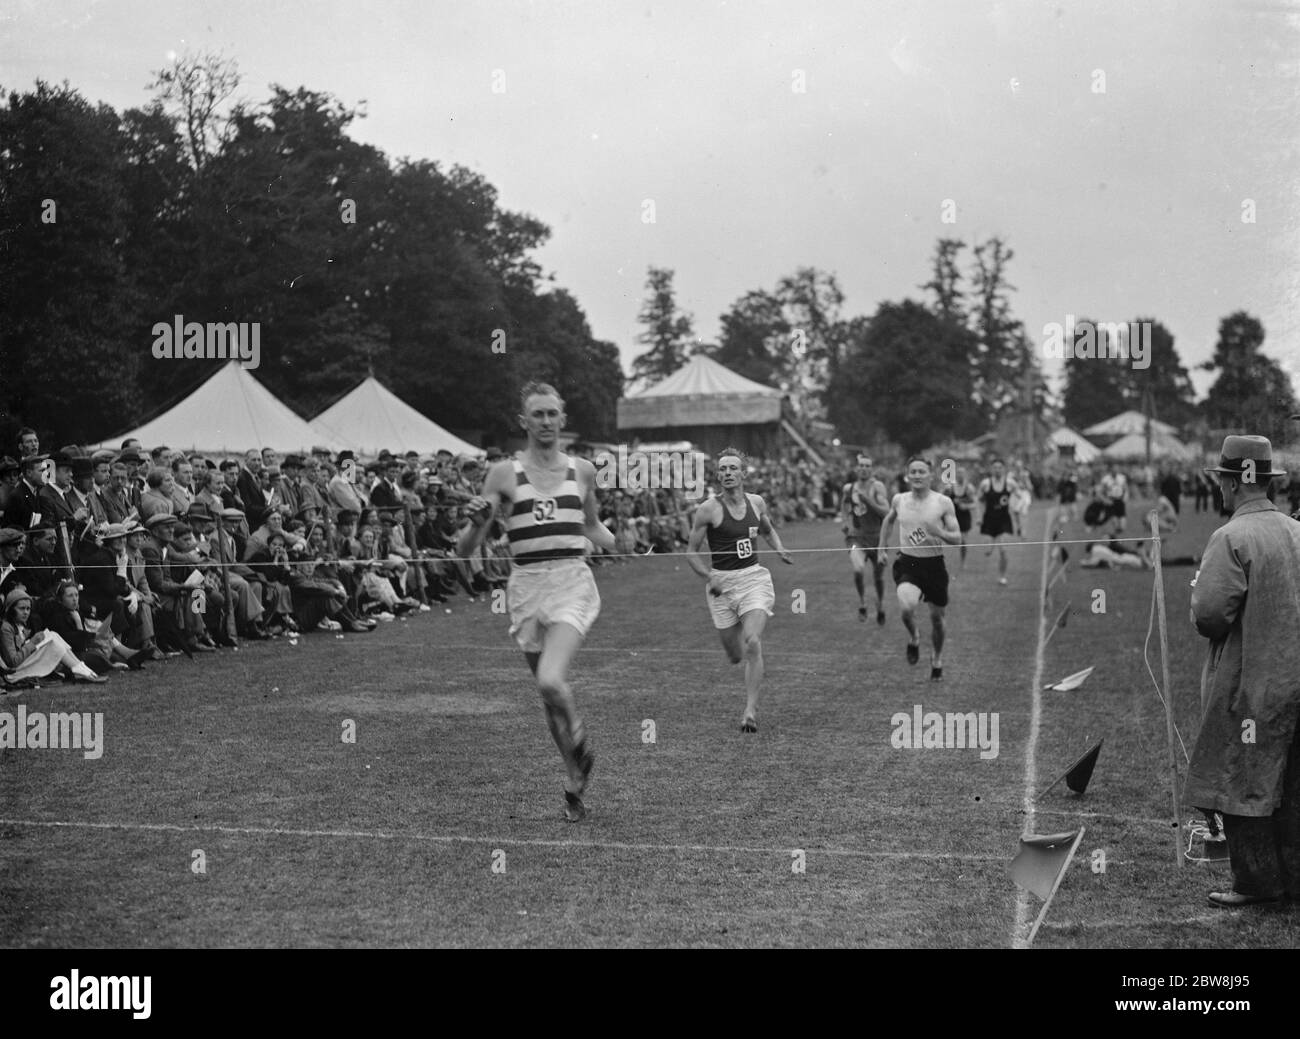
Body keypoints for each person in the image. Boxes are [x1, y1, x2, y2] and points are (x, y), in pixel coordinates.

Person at [458, 382, 617, 823]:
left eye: (552, 414)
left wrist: (616, 540)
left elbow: (592, 526)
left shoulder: (582, 471)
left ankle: (581, 737)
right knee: (548, 700)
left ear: (563, 420)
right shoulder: (503, 474)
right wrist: (474, 524)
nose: (546, 422)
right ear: (523, 421)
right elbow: (465, 550)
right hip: (526, 586)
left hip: (571, 581)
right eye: (538, 414)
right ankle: (573, 780)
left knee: (551, 679)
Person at [1183, 436, 1300, 909]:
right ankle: (1293, 878)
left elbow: (1210, 615)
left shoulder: (1231, 537)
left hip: (1253, 680)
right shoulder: (1296, 530)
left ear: (1232, 483)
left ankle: (1256, 882)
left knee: (1245, 777)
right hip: (1296, 677)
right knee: (1293, 781)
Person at [685, 447, 793, 733]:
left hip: (753, 579)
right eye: (722, 469)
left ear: (744, 473)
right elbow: (691, 553)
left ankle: (749, 711)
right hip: (721, 585)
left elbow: (767, 530)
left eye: (733, 468)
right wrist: (710, 576)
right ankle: (739, 666)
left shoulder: (756, 502)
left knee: (753, 641)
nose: (727, 473)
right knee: (734, 655)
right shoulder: (708, 508)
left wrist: (779, 548)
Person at [878, 457, 961, 681]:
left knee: (937, 619)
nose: (916, 475)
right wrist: (881, 549)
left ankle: (937, 659)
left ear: (930, 475)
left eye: (921, 472)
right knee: (907, 607)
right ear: (907, 475)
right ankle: (914, 637)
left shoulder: (943, 502)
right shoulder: (899, 499)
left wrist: (940, 532)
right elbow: (888, 521)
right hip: (909, 563)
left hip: (934, 565)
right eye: (913, 471)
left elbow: (957, 538)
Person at [2, 588, 107, 686]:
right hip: (14, 673)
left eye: (28, 609)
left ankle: (80, 668)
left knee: (53, 635)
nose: (26, 612)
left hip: (23, 664)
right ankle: (80, 670)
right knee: (52, 642)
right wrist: (32, 643)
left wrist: (33, 643)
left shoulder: (21, 624)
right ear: (11, 609)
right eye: (21, 609)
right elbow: (13, 662)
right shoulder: (6, 628)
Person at [840, 455, 889, 623]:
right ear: (856, 468)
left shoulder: (878, 487)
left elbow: (886, 512)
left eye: (867, 466)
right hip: (856, 538)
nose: (864, 468)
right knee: (858, 568)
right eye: (861, 465)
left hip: (877, 539)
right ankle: (862, 603)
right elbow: (844, 506)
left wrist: (867, 501)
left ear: (872, 469)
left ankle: (880, 605)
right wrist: (845, 521)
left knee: (878, 577)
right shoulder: (849, 488)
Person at [977, 458, 1019, 586]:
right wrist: (979, 517)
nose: (997, 470)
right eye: (995, 467)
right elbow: (979, 500)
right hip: (989, 520)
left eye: (1000, 467)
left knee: (1003, 550)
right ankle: (991, 545)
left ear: (1004, 469)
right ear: (991, 469)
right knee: (987, 551)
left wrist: (1016, 508)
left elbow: (1018, 496)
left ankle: (1002, 576)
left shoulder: (1010, 483)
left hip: (1004, 520)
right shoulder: (985, 484)